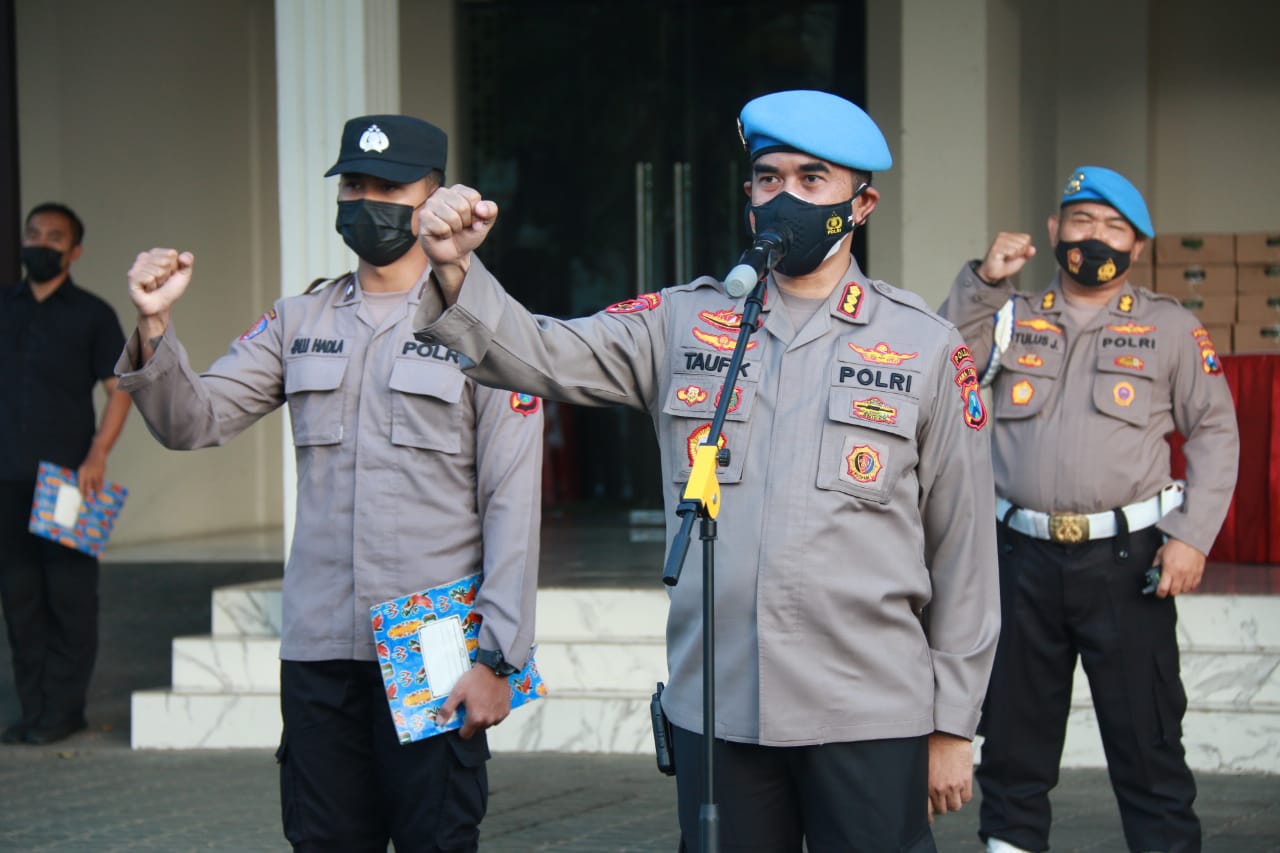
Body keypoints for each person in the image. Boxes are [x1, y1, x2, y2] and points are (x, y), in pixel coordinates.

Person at [413, 90, 1000, 852]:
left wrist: (954, 721)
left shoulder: (925, 347)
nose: (783, 195)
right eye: (767, 176)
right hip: (721, 710)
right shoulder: (683, 322)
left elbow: (964, 553)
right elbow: (540, 352)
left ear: (862, 204)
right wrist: (458, 270)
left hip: (868, 710)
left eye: (812, 178)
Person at [116, 115, 544, 852]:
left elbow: (512, 502)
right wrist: (154, 326)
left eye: (389, 187)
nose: (368, 200)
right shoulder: (298, 319)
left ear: (434, 197)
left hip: (432, 647)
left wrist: (499, 657)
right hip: (319, 647)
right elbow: (195, 419)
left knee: (436, 839)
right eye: (355, 185)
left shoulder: (486, 329)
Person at [938, 166, 1239, 853]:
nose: (1094, 237)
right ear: (1054, 231)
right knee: (1013, 745)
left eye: (1114, 227)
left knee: (1148, 743)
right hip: (1019, 560)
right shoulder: (1013, 314)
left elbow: (1216, 431)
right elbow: (944, 364)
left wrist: (1191, 536)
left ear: (1137, 246)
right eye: (1082, 221)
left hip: (1127, 563)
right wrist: (986, 282)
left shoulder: (1169, 327)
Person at [0, 202, 133, 746]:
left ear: (74, 252)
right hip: (6, 477)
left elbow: (120, 388)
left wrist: (98, 453)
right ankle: (33, 711)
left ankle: (66, 710)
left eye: (54, 237)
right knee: (20, 600)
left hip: (72, 481)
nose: (41, 243)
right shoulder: (4, 307)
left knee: (71, 599)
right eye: (34, 233)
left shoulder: (94, 315)